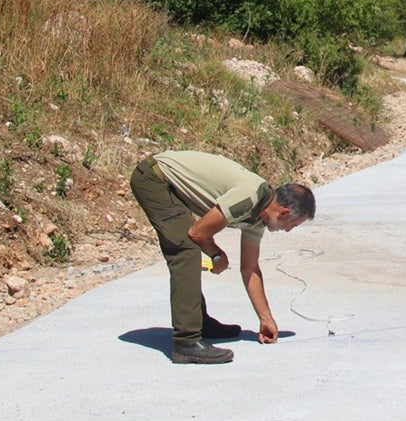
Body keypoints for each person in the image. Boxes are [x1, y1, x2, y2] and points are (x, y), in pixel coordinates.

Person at [129, 150, 316, 363]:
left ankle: (198, 322)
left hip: (171, 186)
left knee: (188, 246)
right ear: (282, 212)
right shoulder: (249, 196)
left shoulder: (258, 218)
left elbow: (250, 268)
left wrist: (266, 319)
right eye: (293, 225)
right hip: (155, 179)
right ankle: (187, 342)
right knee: (186, 250)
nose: (289, 230)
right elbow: (198, 232)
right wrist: (217, 255)